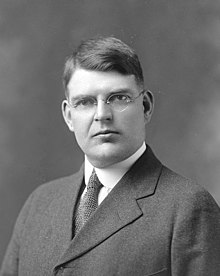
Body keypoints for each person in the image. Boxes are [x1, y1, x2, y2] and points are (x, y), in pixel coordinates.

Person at [1, 36, 220, 276]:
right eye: (85, 102)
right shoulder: (38, 204)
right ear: (68, 116)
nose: (102, 115)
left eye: (118, 98)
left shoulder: (188, 207)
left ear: (145, 107)